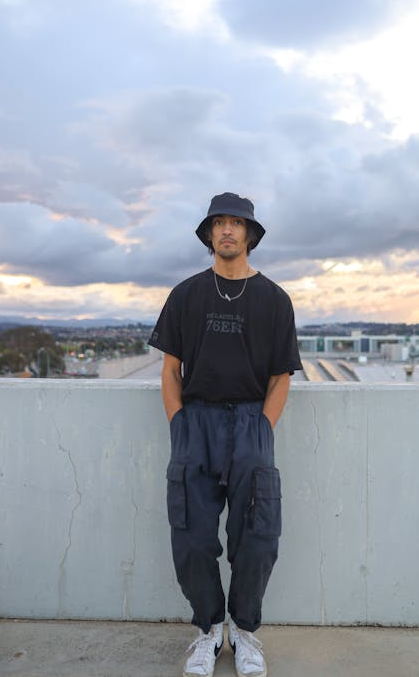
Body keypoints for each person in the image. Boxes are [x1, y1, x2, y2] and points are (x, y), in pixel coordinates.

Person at [148, 192, 302, 677]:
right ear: (209, 234)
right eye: (220, 223)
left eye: (238, 223)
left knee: (257, 538)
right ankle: (209, 631)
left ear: (250, 235)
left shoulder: (275, 300)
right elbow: (170, 370)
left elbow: (282, 377)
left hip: (252, 424)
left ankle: (245, 630)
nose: (228, 230)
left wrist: (260, 427)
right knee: (192, 537)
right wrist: (180, 425)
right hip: (197, 423)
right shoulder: (186, 294)